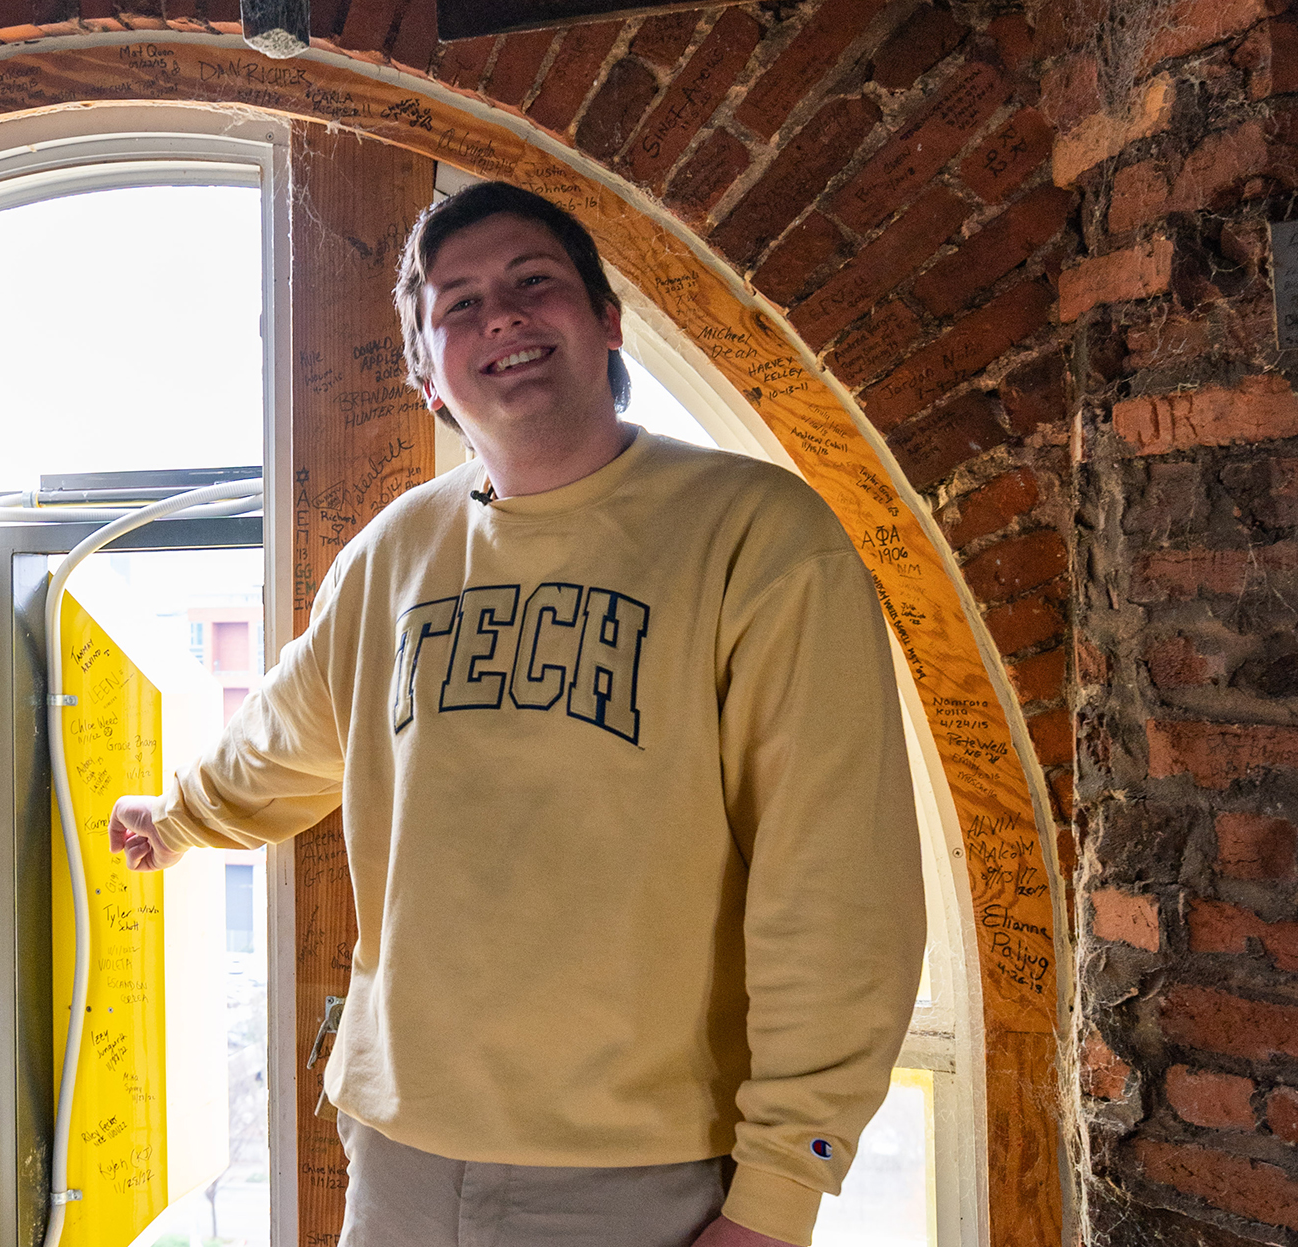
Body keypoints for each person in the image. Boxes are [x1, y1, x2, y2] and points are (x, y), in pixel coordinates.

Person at [108, 182, 925, 1247]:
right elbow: (293, 728)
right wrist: (174, 818)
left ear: (606, 322)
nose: (499, 316)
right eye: (457, 305)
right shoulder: (393, 555)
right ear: (427, 377)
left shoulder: (758, 537)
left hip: (642, 1167)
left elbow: (834, 879)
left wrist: (780, 1186)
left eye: (532, 283)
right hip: (399, 1152)